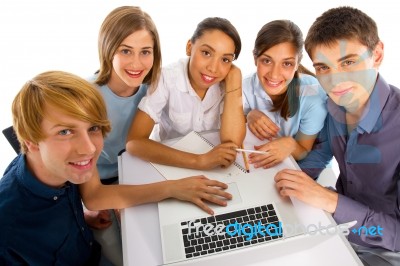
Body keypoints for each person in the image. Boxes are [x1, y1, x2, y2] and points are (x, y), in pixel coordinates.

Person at [0, 71, 232, 265]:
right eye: (65, 132)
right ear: (30, 141)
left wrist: (76, 216)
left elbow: (94, 195)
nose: (89, 148)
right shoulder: (8, 230)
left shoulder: (58, 166)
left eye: (93, 128)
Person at [275, 6, 400, 265]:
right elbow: (318, 156)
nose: (335, 81)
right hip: (337, 230)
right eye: (323, 67)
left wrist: (328, 199)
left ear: (376, 55)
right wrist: (283, 178)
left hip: (388, 251)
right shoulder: (334, 108)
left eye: (348, 62)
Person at [86, 6, 162, 265]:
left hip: (132, 172)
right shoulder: (88, 97)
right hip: (92, 183)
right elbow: (87, 185)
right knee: (122, 256)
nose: (136, 63)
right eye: (125, 51)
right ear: (108, 50)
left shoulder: (152, 90)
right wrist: (111, 200)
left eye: (145, 52)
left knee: (157, 243)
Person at [126, 17, 246, 170]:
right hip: (171, 159)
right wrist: (199, 161)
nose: (214, 68)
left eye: (225, 59)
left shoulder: (227, 82)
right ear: (189, 47)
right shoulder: (167, 78)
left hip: (211, 160)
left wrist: (235, 79)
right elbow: (134, 142)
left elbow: (232, 142)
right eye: (206, 53)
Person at [243, 20, 327, 169]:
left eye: (286, 63)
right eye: (267, 61)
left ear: (297, 63)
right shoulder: (245, 87)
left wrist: (292, 145)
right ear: (255, 58)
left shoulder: (313, 96)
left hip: (300, 167)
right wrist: (249, 115)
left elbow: (305, 152)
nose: (274, 75)